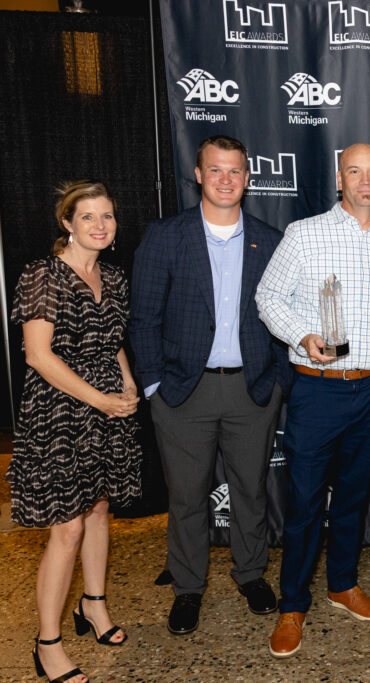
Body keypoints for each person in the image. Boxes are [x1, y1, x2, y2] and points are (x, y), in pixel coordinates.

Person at [256, 142, 370, 658]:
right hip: (319, 388)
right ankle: (292, 604)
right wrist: (303, 335)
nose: (366, 181)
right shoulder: (305, 234)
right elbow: (267, 297)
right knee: (306, 501)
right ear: (339, 178)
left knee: (352, 494)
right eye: (355, 171)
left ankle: (342, 584)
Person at [130, 135, 289, 635]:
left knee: (250, 490)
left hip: (251, 391)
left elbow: (287, 314)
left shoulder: (270, 239)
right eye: (215, 170)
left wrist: (278, 383)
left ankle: (250, 574)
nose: (225, 179)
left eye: (235, 171)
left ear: (248, 177)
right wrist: (154, 386)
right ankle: (188, 588)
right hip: (183, 391)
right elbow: (143, 320)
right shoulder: (165, 236)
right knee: (187, 497)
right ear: (198, 174)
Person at [8, 180, 141, 683]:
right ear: (67, 223)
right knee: (65, 527)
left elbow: (113, 340)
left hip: (106, 407)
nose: (100, 225)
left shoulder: (113, 276)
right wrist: (102, 399)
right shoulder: (42, 275)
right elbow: (39, 356)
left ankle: (93, 605)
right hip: (61, 411)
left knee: (100, 507)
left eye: (107, 216)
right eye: (88, 217)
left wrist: (125, 382)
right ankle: (47, 643)